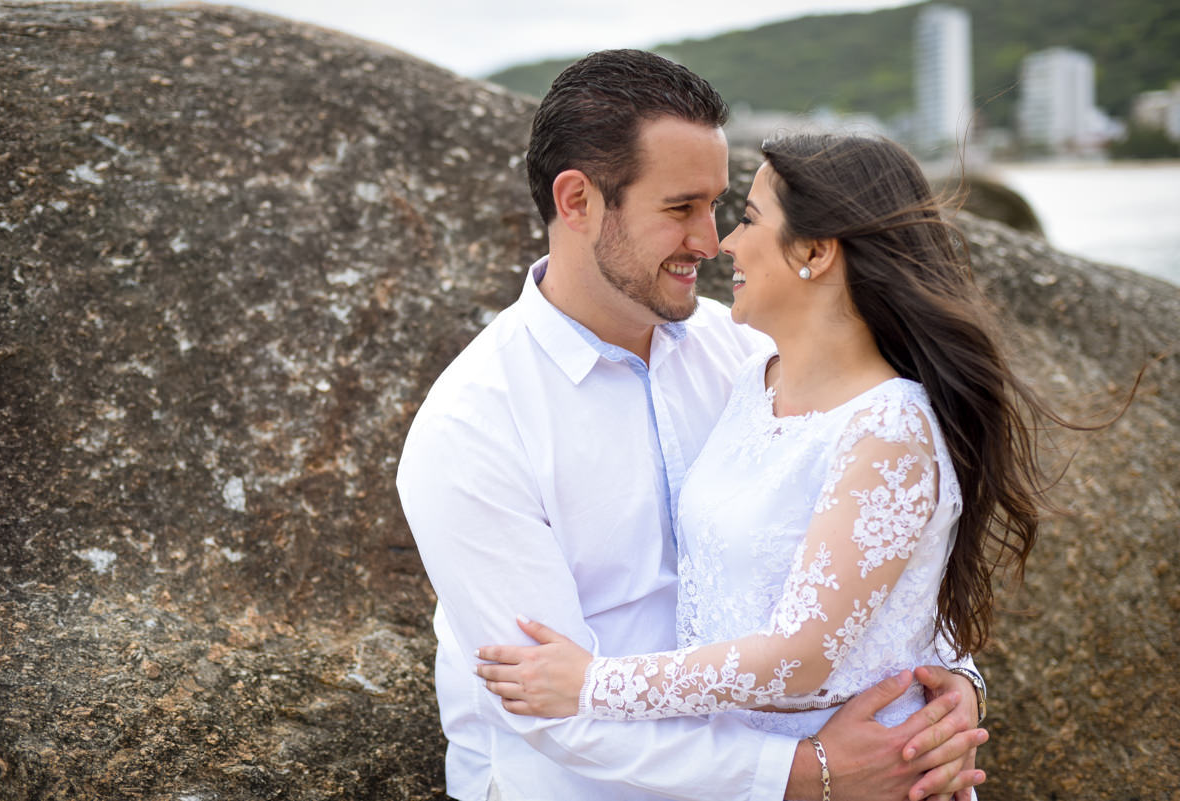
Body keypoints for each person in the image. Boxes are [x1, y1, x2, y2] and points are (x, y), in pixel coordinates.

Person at [397, 50, 986, 801]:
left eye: (720, 206)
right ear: (577, 201)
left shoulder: (751, 354)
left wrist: (949, 683)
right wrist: (805, 775)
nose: (710, 242)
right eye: (681, 208)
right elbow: (547, 706)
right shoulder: (473, 425)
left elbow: (870, 546)